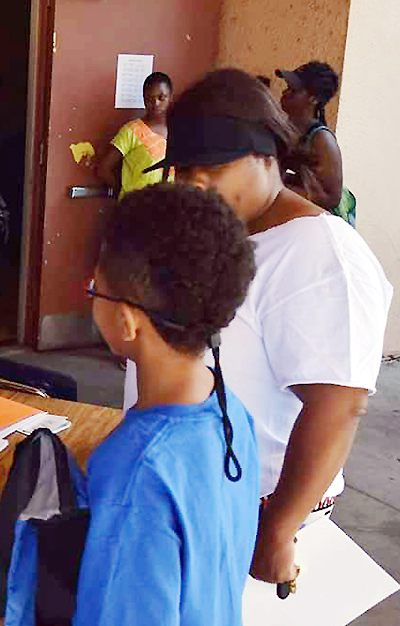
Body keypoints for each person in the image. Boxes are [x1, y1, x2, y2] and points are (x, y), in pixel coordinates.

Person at [127, 68, 392, 589]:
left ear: (267, 156)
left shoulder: (320, 255)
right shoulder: (228, 232)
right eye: (183, 171)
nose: (194, 187)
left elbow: (338, 404)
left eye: (211, 172)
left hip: (255, 510)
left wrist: (277, 531)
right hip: (194, 494)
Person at [0, 184, 260, 626]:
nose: (90, 293)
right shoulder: (230, 411)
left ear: (128, 322)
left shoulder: (139, 470)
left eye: (96, 289)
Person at [276, 61, 353, 224]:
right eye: (287, 87)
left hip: (320, 226)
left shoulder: (322, 140)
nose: (285, 92)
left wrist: (279, 189)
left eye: (293, 90)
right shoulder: (287, 129)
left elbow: (332, 198)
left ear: (313, 98)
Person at [97, 71, 174, 198]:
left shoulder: (178, 131)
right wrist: (124, 195)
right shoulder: (132, 131)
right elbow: (103, 169)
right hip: (135, 210)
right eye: (149, 99)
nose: (156, 104)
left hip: (166, 210)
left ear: (170, 97)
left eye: (161, 98)